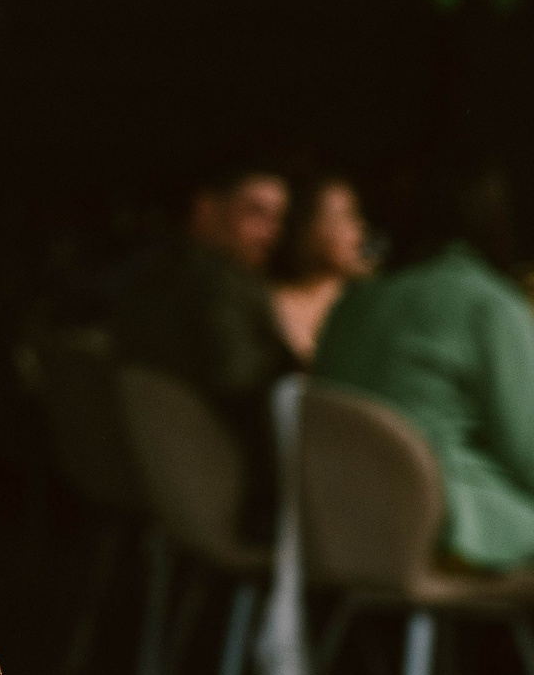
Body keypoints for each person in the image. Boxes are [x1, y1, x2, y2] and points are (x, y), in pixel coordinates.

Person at [315, 167, 534, 573]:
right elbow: (528, 448)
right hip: (448, 527)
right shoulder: (484, 301)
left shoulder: (353, 304)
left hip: (338, 523)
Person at [112, 161, 295, 529]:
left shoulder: (148, 270)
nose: (271, 233)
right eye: (255, 212)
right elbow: (241, 379)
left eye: (279, 218)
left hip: (149, 469)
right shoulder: (220, 284)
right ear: (206, 208)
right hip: (221, 486)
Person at [269, 172, 372, 365]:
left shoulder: (367, 302)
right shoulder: (264, 300)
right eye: (344, 216)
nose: (359, 228)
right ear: (306, 225)